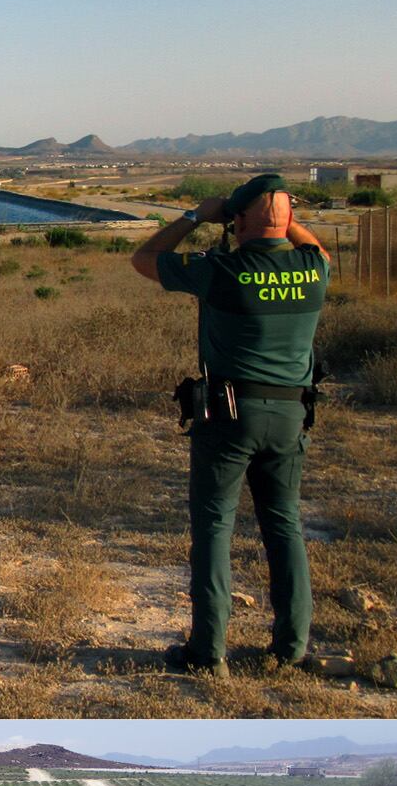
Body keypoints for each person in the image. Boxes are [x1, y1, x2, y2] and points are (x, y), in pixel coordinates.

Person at [130, 172, 330, 677]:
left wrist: (196, 215)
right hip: (291, 416)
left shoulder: (221, 269)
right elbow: (316, 249)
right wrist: (281, 218)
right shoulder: (313, 268)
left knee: (215, 528)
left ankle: (208, 651)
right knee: (284, 526)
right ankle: (291, 648)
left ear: (236, 221)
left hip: (229, 414)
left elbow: (145, 259)